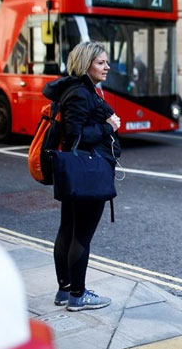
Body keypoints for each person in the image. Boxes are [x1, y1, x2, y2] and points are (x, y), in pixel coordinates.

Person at [42, 41, 121, 312]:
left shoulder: (79, 90)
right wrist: (107, 127)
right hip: (86, 172)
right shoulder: (80, 94)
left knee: (68, 230)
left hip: (76, 172)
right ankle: (78, 294)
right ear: (85, 64)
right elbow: (74, 135)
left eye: (106, 62)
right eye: (101, 62)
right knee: (80, 236)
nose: (107, 66)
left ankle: (65, 291)